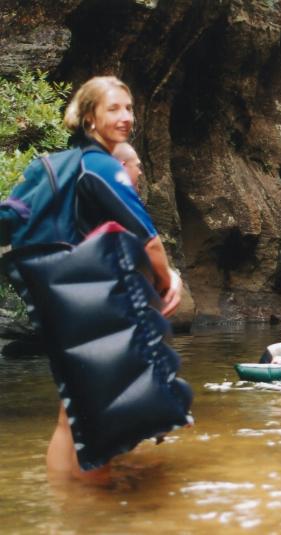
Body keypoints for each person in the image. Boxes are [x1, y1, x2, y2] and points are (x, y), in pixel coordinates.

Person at [46, 76, 184, 481]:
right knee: (94, 411)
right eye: (113, 109)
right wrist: (167, 280)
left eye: (128, 108)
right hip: (95, 299)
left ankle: (65, 502)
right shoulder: (104, 167)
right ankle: (93, 508)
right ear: (89, 116)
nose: (125, 117)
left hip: (71, 293)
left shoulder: (74, 162)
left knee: (71, 412)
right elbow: (151, 242)